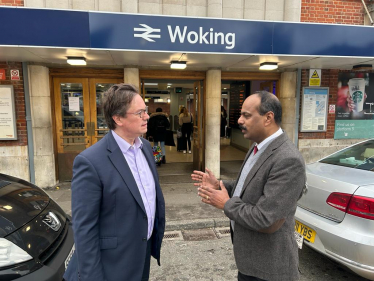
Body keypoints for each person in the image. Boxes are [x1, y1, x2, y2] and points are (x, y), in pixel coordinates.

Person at [191, 91, 306, 281]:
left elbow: (265, 218)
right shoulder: (257, 146)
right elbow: (247, 186)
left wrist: (225, 204)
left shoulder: (288, 159)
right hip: (251, 263)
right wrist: (220, 186)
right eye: (241, 115)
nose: (239, 121)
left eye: (246, 115)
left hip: (269, 269)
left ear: (268, 118)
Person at [64, 84, 165, 281]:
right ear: (117, 118)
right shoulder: (90, 162)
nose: (147, 117)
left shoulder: (144, 147)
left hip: (141, 255)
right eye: (140, 112)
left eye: (146, 111)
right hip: (111, 265)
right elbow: (84, 229)